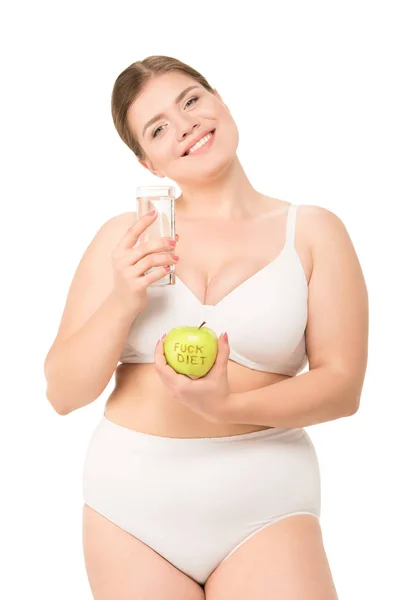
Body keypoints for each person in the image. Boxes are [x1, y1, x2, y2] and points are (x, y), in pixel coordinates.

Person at [44, 55, 369, 599]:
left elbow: (343, 387)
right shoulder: (125, 240)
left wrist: (226, 407)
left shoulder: (312, 231)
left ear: (220, 101)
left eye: (191, 100)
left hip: (266, 508)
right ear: (148, 162)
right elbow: (61, 392)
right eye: (158, 127)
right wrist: (124, 298)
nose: (186, 124)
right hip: (131, 514)